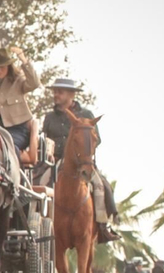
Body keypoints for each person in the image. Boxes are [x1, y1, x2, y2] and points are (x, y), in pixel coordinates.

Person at [41, 77, 118, 243]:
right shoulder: (49, 118)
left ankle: (104, 227)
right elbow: (45, 139)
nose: (56, 94)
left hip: (83, 162)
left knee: (101, 186)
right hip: (57, 161)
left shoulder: (87, 115)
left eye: (59, 92)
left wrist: (85, 156)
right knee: (39, 183)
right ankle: (39, 223)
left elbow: (97, 139)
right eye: (55, 91)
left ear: (71, 94)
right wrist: (49, 152)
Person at [0, 46, 38, 167]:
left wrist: (24, 61)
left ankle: (14, 181)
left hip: (17, 130)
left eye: (2, 66)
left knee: (8, 147)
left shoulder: (18, 81)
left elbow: (34, 83)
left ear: (9, 66)